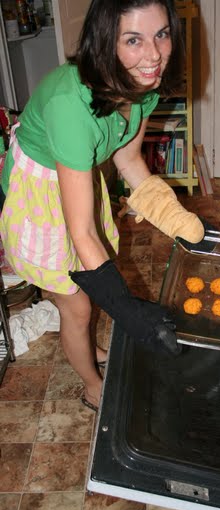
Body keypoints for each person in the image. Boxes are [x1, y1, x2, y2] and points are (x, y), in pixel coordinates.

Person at [0, 0, 205, 411]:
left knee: (86, 287)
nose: (153, 55)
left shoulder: (142, 85)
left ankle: (87, 346)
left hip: (75, 171)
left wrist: (177, 219)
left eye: (161, 34)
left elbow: (127, 160)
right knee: (76, 305)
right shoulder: (70, 105)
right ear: (104, 44)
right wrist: (127, 309)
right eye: (133, 40)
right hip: (40, 188)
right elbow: (82, 232)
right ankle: (92, 385)